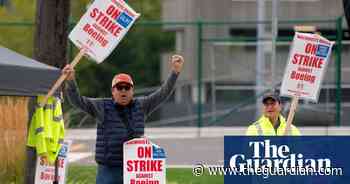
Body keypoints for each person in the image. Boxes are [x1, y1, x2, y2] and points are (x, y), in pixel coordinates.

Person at [63, 55, 184, 184]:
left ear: (132, 90)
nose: (123, 90)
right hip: (108, 170)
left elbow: (163, 93)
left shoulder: (142, 105)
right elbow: (78, 101)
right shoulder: (102, 106)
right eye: (119, 87)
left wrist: (175, 72)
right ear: (113, 91)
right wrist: (71, 81)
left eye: (127, 87)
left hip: (135, 169)